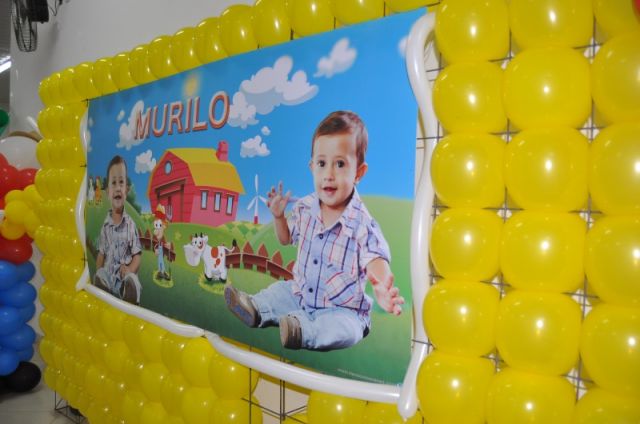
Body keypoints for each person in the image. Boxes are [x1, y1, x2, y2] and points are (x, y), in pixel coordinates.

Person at [225, 111, 404, 351]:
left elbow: (376, 259)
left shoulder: (362, 223)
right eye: (322, 164)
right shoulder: (305, 207)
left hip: (343, 310)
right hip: (300, 295)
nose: (329, 175)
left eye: (340, 164)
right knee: (280, 291)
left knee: (345, 330)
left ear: (359, 173)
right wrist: (278, 217)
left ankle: (301, 331)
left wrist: (382, 287)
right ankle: (256, 308)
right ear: (312, 167)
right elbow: (285, 239)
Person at [93, 155, 142, 305]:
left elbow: (137, 255)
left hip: (123, 277)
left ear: (126, 190)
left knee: (132, 279)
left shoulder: (130, 225)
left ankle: (130, 292)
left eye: (121, 182)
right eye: (114, 183)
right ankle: (102, 286)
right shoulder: (105, 227)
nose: (118, 187)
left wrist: (130, 269)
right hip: (108, 277)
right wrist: (99, 271)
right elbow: (101, 254)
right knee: (101, 273)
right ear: (108, 191)